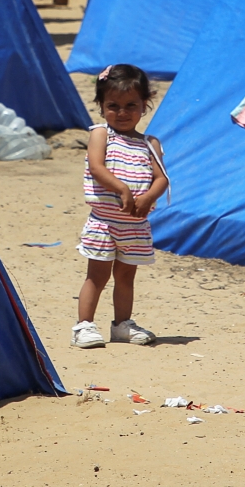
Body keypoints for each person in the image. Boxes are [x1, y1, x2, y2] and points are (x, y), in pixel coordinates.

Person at [71, 64, 169, 348]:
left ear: (144, 105)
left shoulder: (149, 143)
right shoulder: (101, 134)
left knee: (126, 276)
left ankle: (122, 325)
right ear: (101, 107)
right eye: (113, 105)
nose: (122, 112)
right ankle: (84, 325)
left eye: (131, 105)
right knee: (97, 276)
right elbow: (97, 167)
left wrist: (149, 196)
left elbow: (162, 178)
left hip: (135, 225)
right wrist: (122, 189)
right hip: (105, 224)